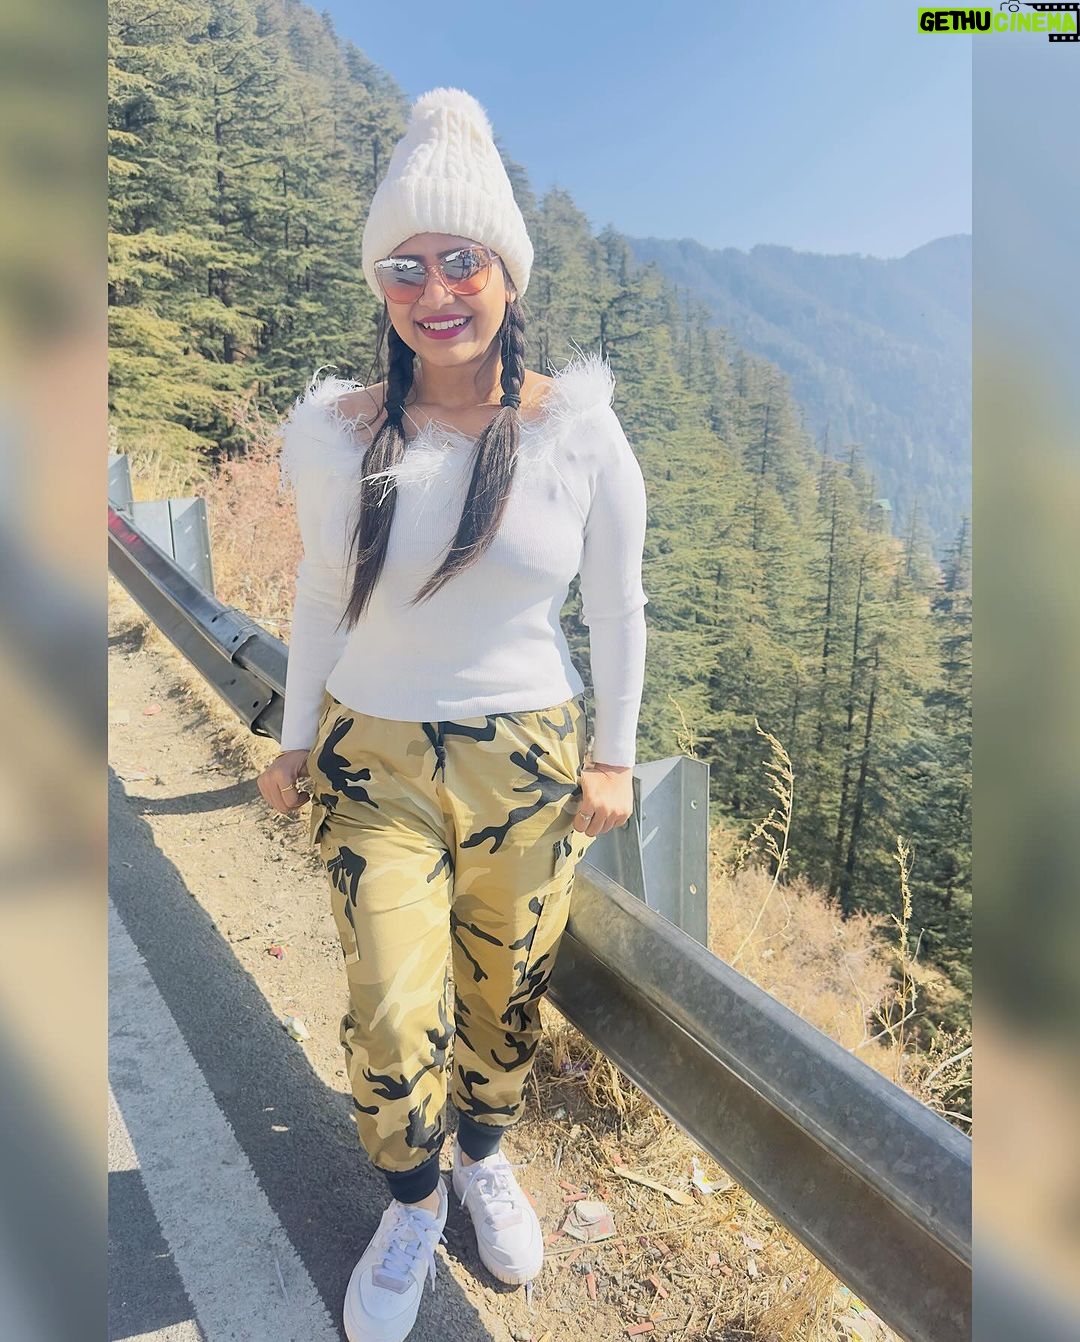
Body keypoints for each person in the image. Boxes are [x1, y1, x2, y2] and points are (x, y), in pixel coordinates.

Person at [257, 87, 648, 1342]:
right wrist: (293, 735)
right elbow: (322, 593)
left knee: (505, 991)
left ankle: (482, 1156)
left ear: (508, 275)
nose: (435, 290)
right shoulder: (338, 433)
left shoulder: (578, 431)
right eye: (405, 267)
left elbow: (619, 606)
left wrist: (615, 758)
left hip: (529, 758)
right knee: (390, 1000)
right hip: (371, 755)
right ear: (380, 286)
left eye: (462, 261)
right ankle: (413, 1201)